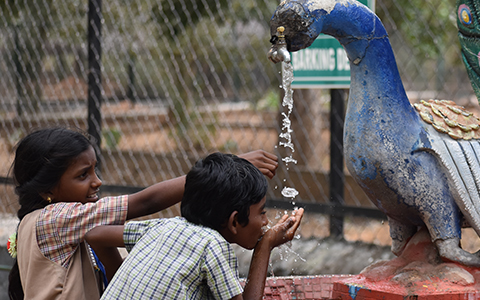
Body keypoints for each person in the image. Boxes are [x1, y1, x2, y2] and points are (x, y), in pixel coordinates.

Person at [6, 127, 279, 300]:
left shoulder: (71, 228)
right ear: (47, 190)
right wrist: (219, 174)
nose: (97, 181)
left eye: (94, 170)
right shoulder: (55, 219)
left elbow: (99, 239)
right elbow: (144, 203)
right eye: (82, 175)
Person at [85, 152, 304, 300]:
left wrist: (130, 283)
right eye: (263, 213)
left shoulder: (164, 226)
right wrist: (265, 246)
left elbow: (95, 235)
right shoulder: (214, 246)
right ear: (234, 222)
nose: (266, 222)